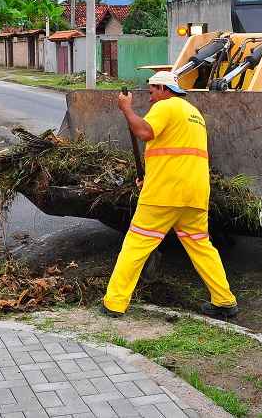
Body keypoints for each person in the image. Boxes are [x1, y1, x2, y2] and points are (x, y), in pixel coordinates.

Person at [102, 71, 239, 319]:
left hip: (164, 195)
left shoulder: (166, 106)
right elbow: (176, 153)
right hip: (194, 195)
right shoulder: (194, 114)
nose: (151, 98)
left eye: (152, 91)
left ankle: (114, 302)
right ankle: (224, 300)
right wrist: (148, 175)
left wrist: (126, 109)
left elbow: (144, 132)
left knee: (135, 245)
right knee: (201, 246)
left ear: (164, 89)